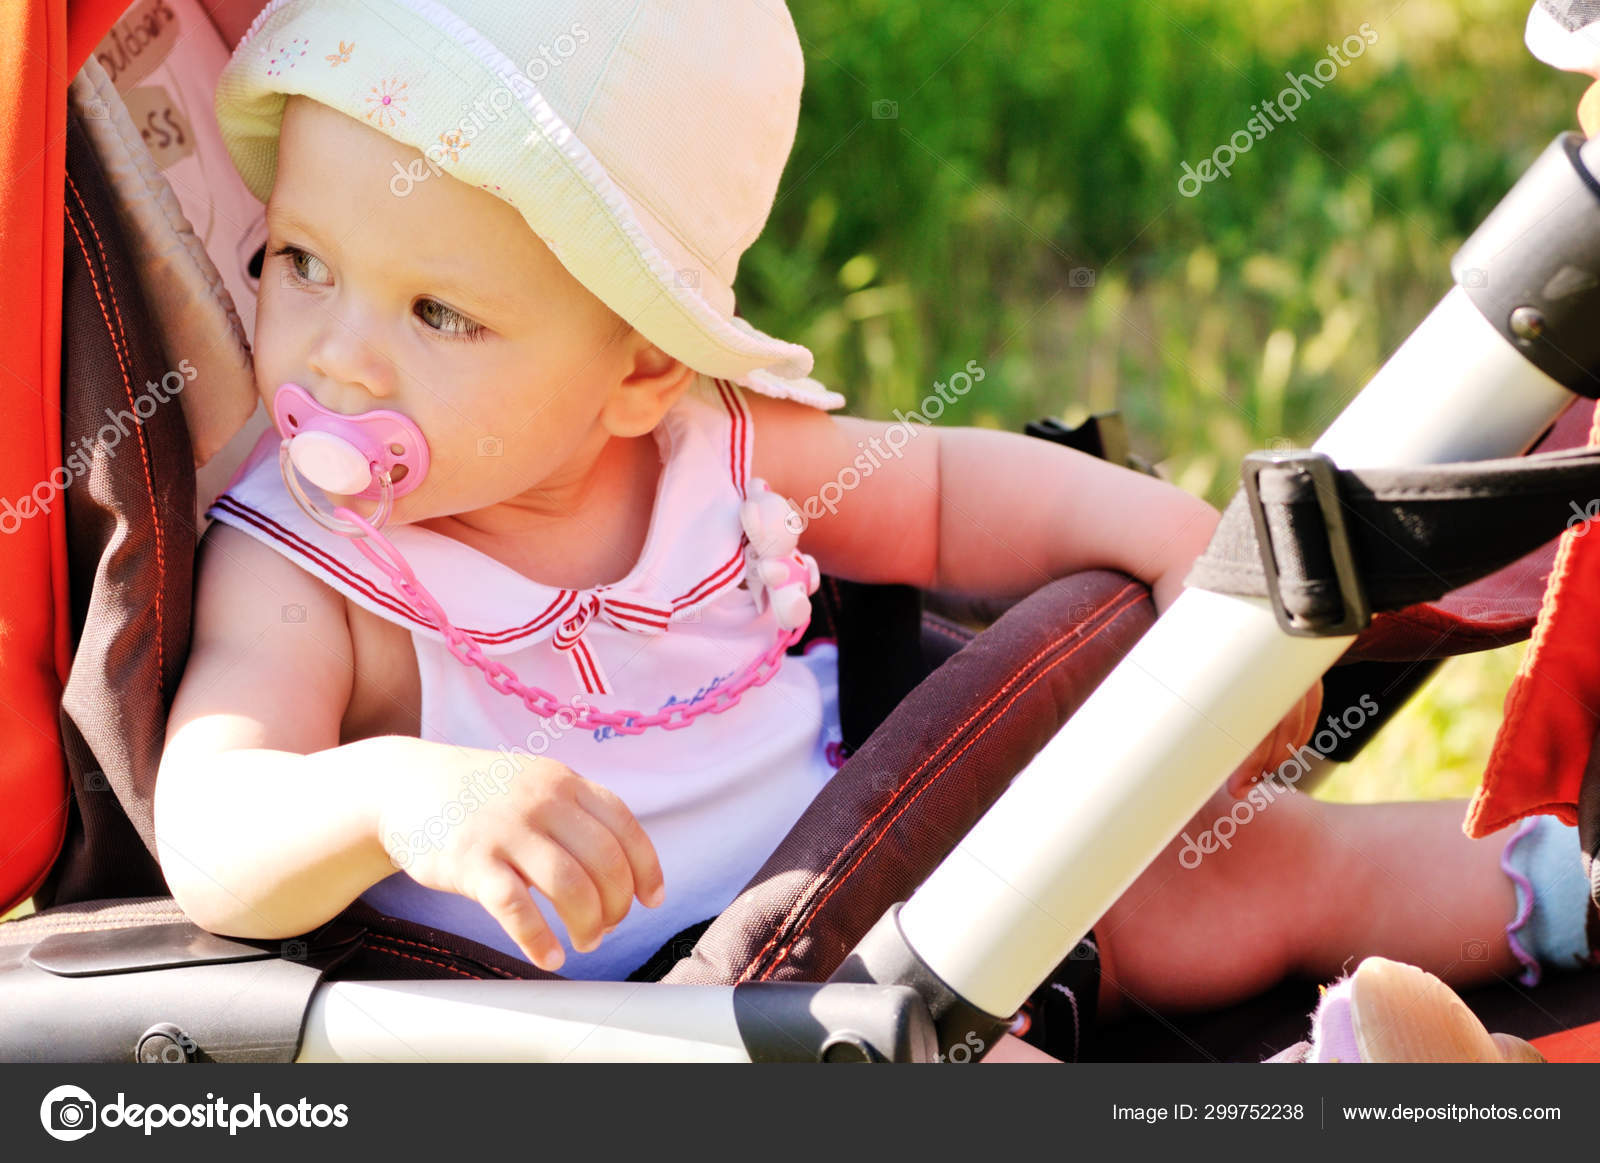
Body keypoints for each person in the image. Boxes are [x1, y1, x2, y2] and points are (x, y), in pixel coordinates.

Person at [154, 0, 1585, 1060]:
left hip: (932, 876)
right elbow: (212, 823)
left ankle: (1559, 885)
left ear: (645, 368)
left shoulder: (704, 447)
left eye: (435, 312)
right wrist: (404, 794)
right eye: (298, 262)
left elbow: (950, 492)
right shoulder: (312, 569)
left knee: (1228, 866)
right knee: (929, 1083)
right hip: (689, 1029)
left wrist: (1178, 549)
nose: (333, 358)